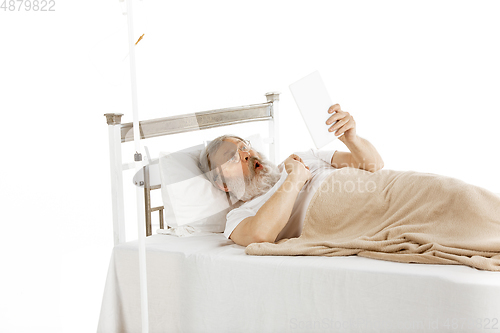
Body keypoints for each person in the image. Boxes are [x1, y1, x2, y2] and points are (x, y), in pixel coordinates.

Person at [199, 104, 384, 247]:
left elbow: (374, 165)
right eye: (232, 158)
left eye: (244, 147)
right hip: (367, 219)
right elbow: (260, 235)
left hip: (384, 190)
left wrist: (352, 139)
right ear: (223, 184)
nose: (246, 154)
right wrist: (295, 178)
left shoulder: (303, 156)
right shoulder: (239, 216)